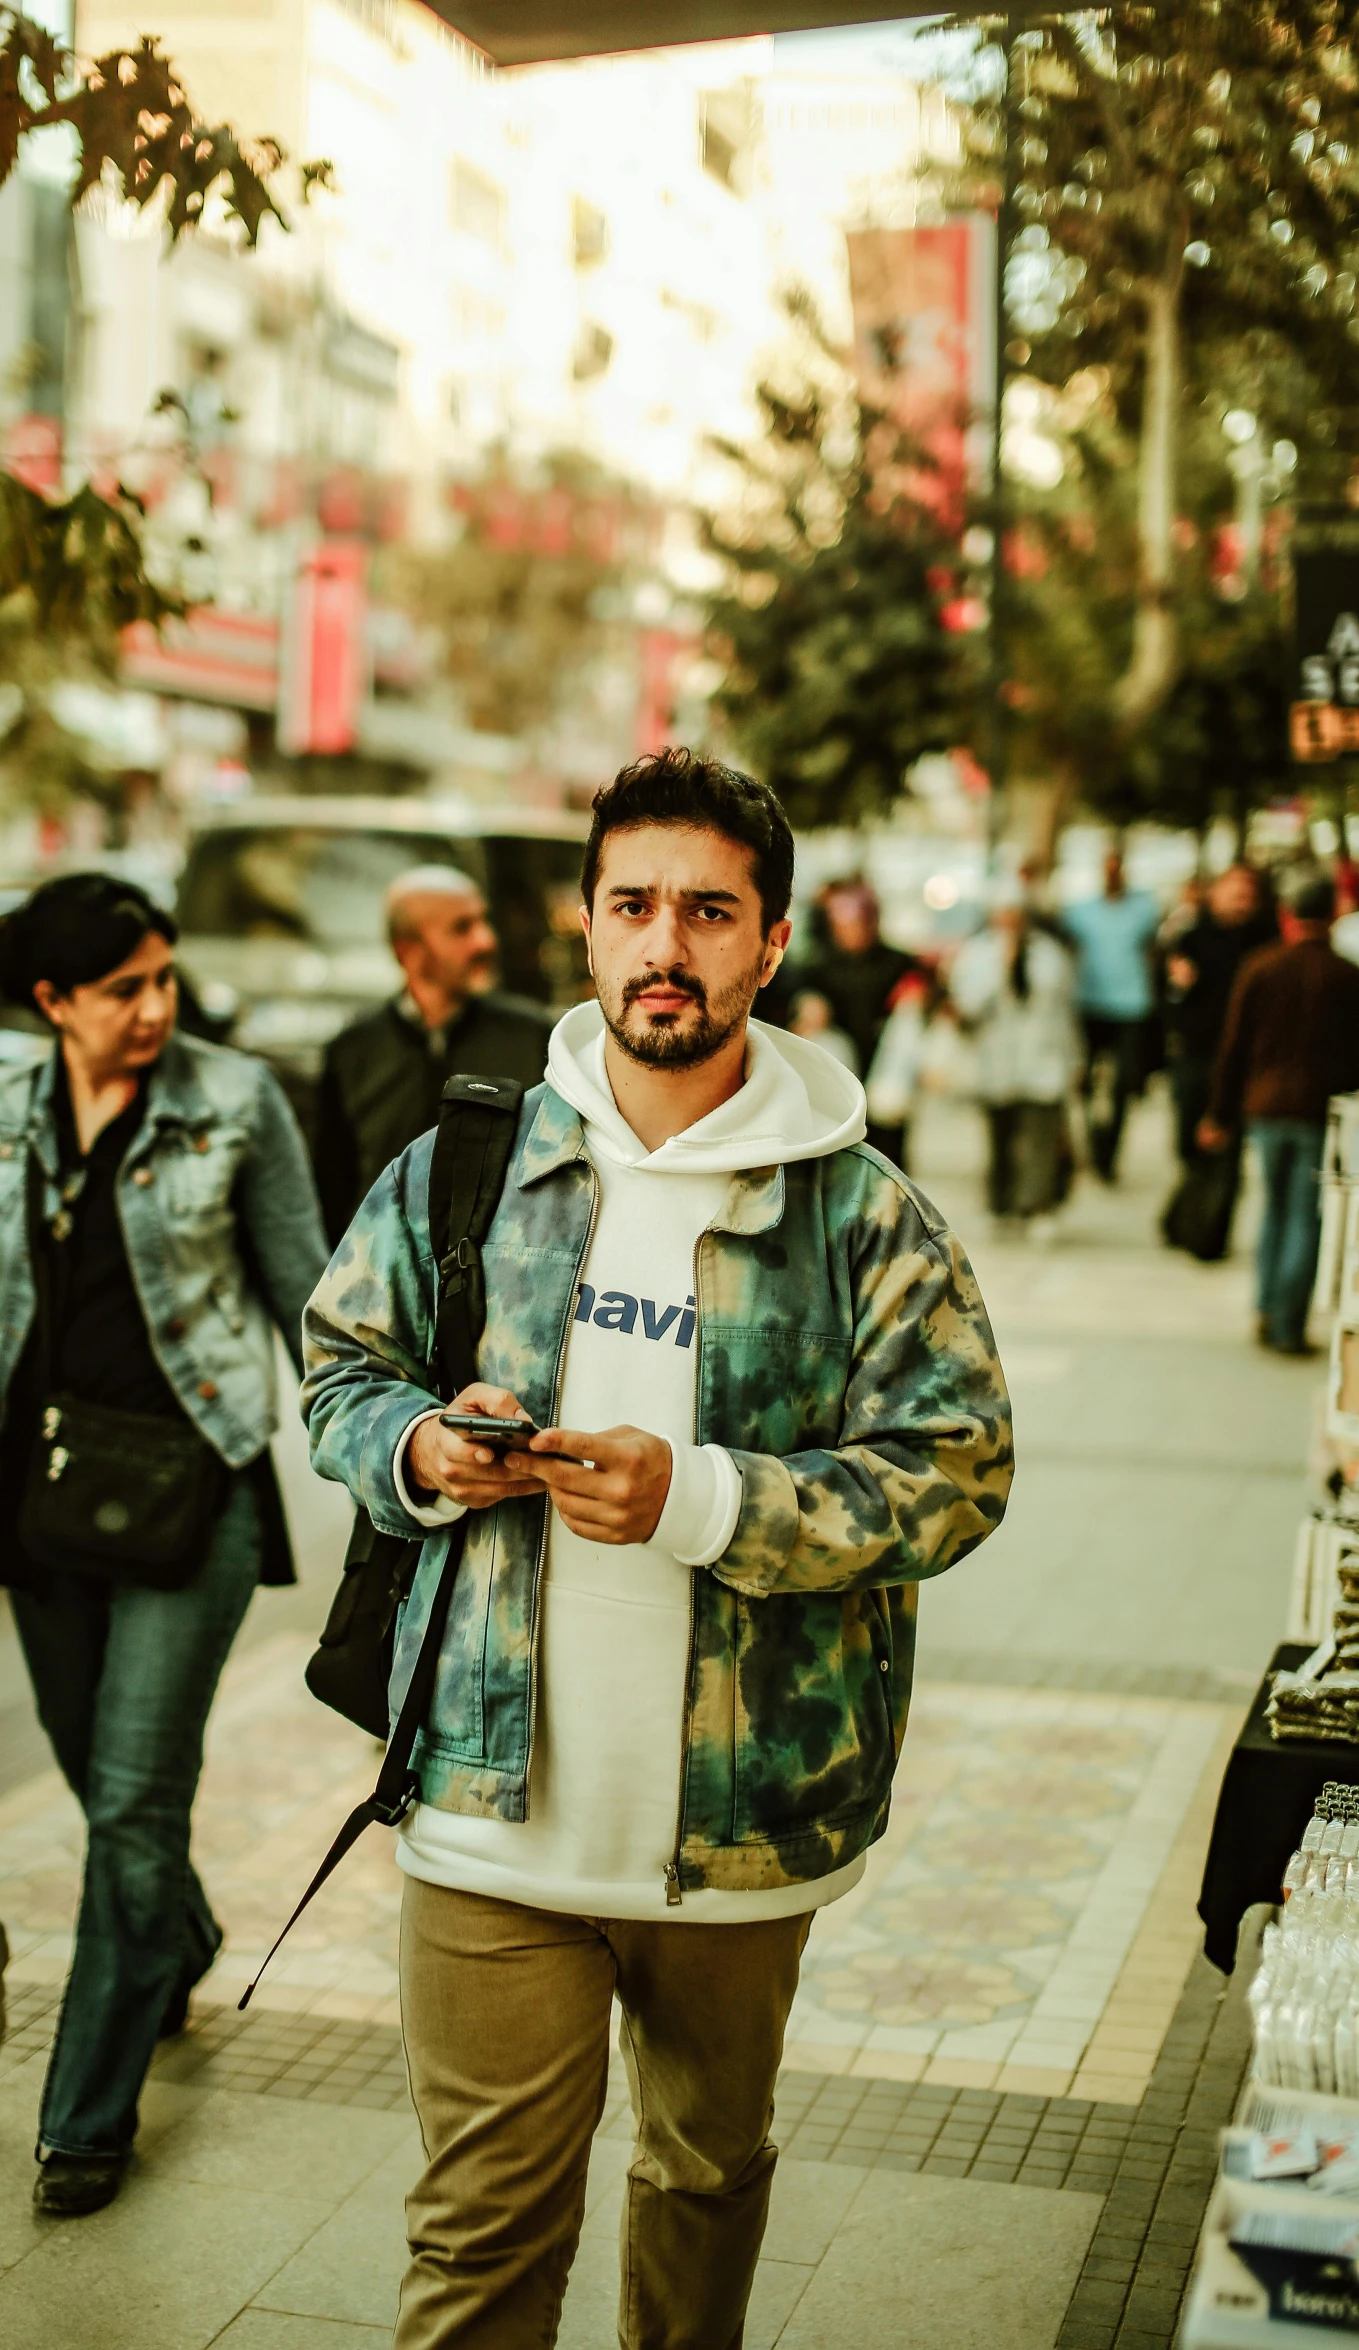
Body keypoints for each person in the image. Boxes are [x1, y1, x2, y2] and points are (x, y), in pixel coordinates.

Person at [304, 748, 1013, 2349]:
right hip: (486, 1816)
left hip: (747, 1827)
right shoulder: (471, 1163)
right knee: (479, 2239)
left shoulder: (858, 1211)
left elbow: (957, 1469)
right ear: (580, 925)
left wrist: (699, 1499)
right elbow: (339, 1372)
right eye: (631, 905)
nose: (662, 946)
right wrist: (420, 1445)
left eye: (706, 911)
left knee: (699, 2184)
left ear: (769, 944)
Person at [0, 875, 327, 2218]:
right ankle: (182, 1934)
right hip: (35, 1502)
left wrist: (390, 1456)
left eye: (164, 977)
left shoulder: (235, 1099)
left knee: (136, 1797)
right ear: (53, 1002)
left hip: (186, 1494)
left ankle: (84, 2114)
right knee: (101, 1782)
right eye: (122, 988)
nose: (158, 1007)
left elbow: (307, 1291)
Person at [312, 866, 553, 1241]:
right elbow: (332, 1189)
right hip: (384, 1266)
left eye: (482, 922)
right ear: (408, 951)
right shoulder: (353, 1050)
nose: (486, 941)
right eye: (462, 928)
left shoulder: (531, 1035)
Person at [1201, 867, 1359, 1355]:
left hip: (1264, 1107)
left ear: (1287, 915)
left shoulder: (1260, 967)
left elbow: (1233, 1047)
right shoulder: (1346, 977)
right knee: (1302, 1218)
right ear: (1332, 915)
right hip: (1318, 1111)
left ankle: (1267, 1307)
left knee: (1272, 1209)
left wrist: (1218, 1114)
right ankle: (1289, 1320)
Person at [951, 882, 1082, 1233]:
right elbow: (967, 1006)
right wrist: (1002, 967)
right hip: (996, 1061)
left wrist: (1074, 1059)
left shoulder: (1050, 954)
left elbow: (1065, 1009)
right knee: (1000, 1138)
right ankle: (1000, 1204)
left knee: (1041, 1137)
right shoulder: (977, 954)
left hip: (1044, 1060)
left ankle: (1038, 1206)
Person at [1164, 863, 1277, 1166]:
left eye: (1247, 895)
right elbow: (1169, 992)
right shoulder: (1192, 937)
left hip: (1243, 1054)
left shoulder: (1264, 943)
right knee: (1189, 1138)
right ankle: (1194, 1195)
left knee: (1228, 1145)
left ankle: (1214, 1207)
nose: (1241, 901)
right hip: (1197, 1048)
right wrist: (1177, 982)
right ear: (1215, 895)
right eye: (1234, 893)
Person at [793, 880, 916, 1151]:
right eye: (844, 925)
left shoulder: (896, 963)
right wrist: (809, 1006)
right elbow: (799, 1006)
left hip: (883, 1069)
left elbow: (924, 998)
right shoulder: (818, 967)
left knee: (888, 1150)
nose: (851, 932)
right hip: (842, 1074)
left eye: (859, 923)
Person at [1062, 846, 1158, 1182]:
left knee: (1123, 1084)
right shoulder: (1080, 912)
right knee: (1085, 1082)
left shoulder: (1144, 908)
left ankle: (1109, 1153)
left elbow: (1152, 950)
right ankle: (1090, 1142)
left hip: (1131, 1004)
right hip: (1090, 1002)